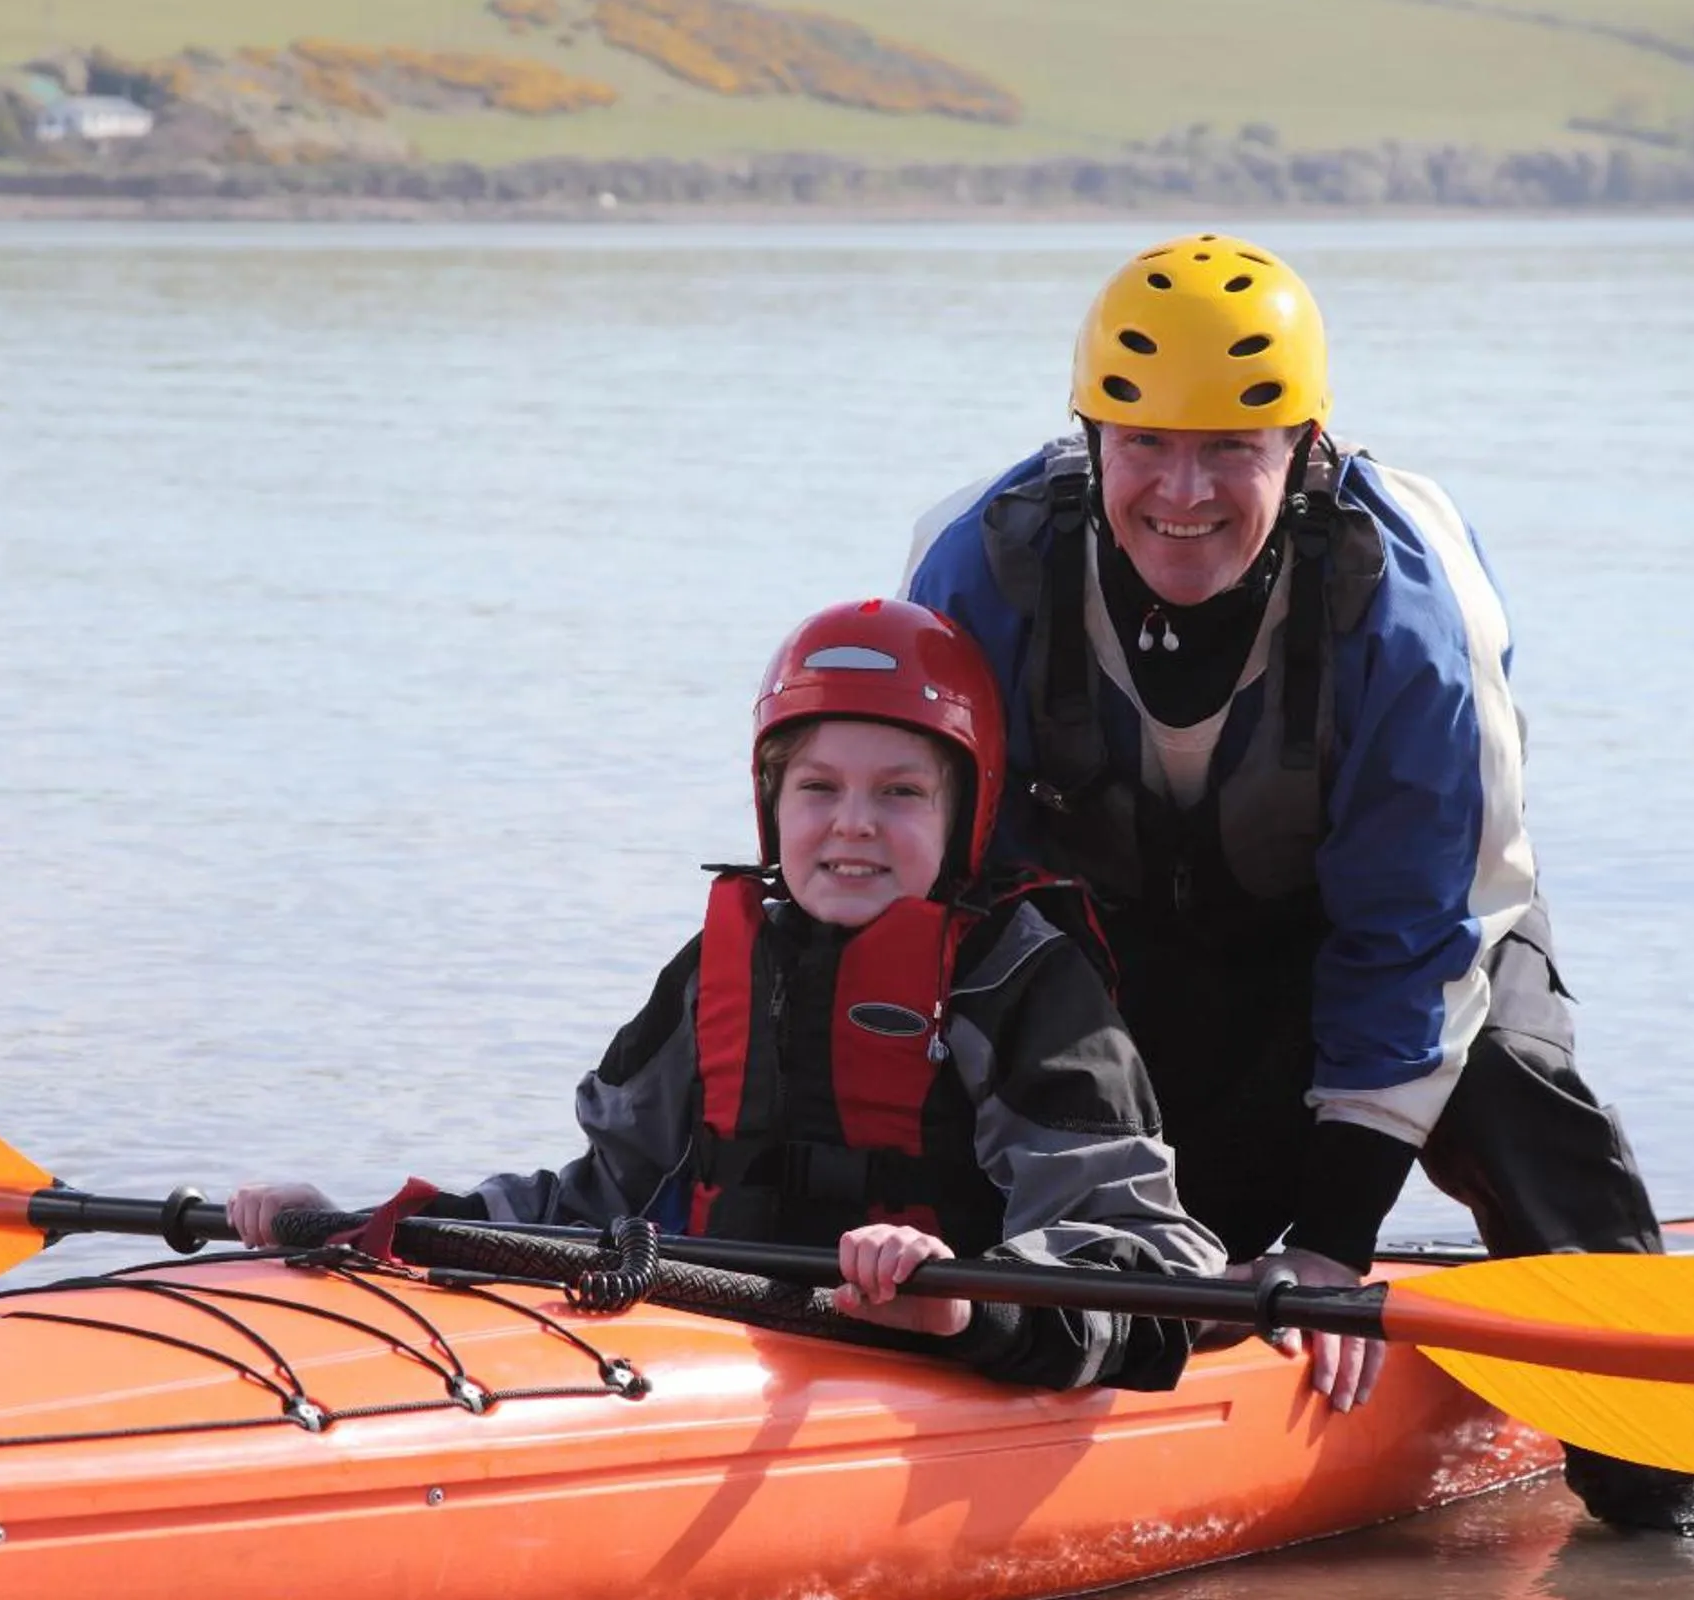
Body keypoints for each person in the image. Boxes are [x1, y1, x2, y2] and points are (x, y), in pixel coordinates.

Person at [902, 233, 1694, 1533]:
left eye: (1233, 444)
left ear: (1304, 442)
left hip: (1430, 943)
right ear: (1086, 434)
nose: (1181, 489)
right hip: (1146, 953)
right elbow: (946, 893)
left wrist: (1333, 1241)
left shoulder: (1399, 612)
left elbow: (1420, 938)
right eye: (1144, 441)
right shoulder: (976, 570)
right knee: (1120, 1207)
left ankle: (1648, 1504)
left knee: (1515, 1110)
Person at [228, 596, 1224, 1393]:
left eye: (901, 792)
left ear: (965, 810)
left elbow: (1149, 1257)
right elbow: (592, 1198)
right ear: (771, 805)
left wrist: (961, 1305)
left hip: (947, 1367)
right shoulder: (718, 968)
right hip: (716, 1355)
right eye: (818, 788)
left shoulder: (1023, 981)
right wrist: (367, 1224)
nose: (854, 824)